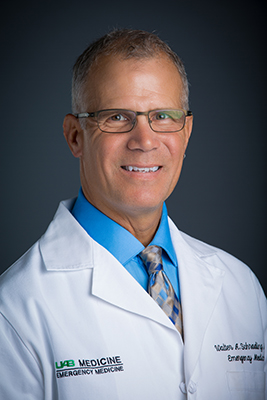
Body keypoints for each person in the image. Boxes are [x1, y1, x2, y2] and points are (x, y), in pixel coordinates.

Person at [0, 29, 266, 400]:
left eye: (163, 116)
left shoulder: (243, 287)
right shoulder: (14, 309)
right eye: (118, 116)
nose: (144, 139)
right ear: (75, 135)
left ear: (186, 133)